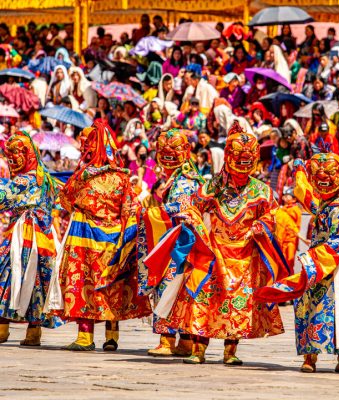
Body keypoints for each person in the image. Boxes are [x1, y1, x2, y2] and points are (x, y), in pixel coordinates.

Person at [152, 121, 290, 365]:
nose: (244, 161)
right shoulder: (213, 186)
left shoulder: (261, 190)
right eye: (238, 156)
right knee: (203, 300)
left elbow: (270, 216)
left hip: (245, 258)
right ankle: (198, 349)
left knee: (237, 305)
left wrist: (259, 227)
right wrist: (193, 222)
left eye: (249, 157)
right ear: (228, 157)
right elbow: (194, 206)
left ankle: (230, 351)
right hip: (214, 253)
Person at [255, 153, 339, 373]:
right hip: (318, 260)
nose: (322, 178)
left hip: (337, 264)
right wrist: (300, 171)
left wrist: (311, 262)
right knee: (309, 307)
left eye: (329, 173)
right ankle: (310, 357)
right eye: (316, 174)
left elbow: (338, 242)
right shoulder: (326, 200)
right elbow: (308, 197)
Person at [52, 120, 151, 351]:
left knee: (85, 286)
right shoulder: (123, 178)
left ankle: (86, 337)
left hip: (86, 239)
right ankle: (112, 337)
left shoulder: (83, 176)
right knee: (111, 287)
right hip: (114, 240)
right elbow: (130, 208)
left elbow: (65, 200)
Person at [137, 129, 204, 358]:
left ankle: (167, 340)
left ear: (185, 152)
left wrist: (152, 212)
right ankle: (184, 341)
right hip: (180, 241)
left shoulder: (184, 181)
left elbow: (182, 207)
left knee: (168, 286)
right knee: (178, 290)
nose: (166, 156)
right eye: (163, 152)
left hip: (180, 243)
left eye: (172, 151)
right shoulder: (178, 178)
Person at [0, 133, 60, 346]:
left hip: (23, 234)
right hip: (45, 236)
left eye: (17, 152)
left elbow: (3, 198)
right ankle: (33, 332)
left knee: (7, 273)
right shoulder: (46, 179)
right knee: (36, 279)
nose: (13, 158)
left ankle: (2, 328)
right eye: (10, 153)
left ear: (28, 154)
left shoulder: (24, 180)